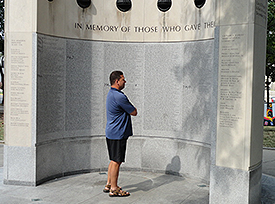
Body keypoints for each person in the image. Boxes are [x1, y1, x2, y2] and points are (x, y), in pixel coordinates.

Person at [103, 70, 137, 197]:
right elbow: (134, 111)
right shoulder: (119, 96)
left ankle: (108, 184)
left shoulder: (111, 94)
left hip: (111, 132)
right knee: (117, 161)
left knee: (113, 160)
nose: (125, 81)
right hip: (118, 133)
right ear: (117, 81)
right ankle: (114, 188)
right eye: (123, 79)